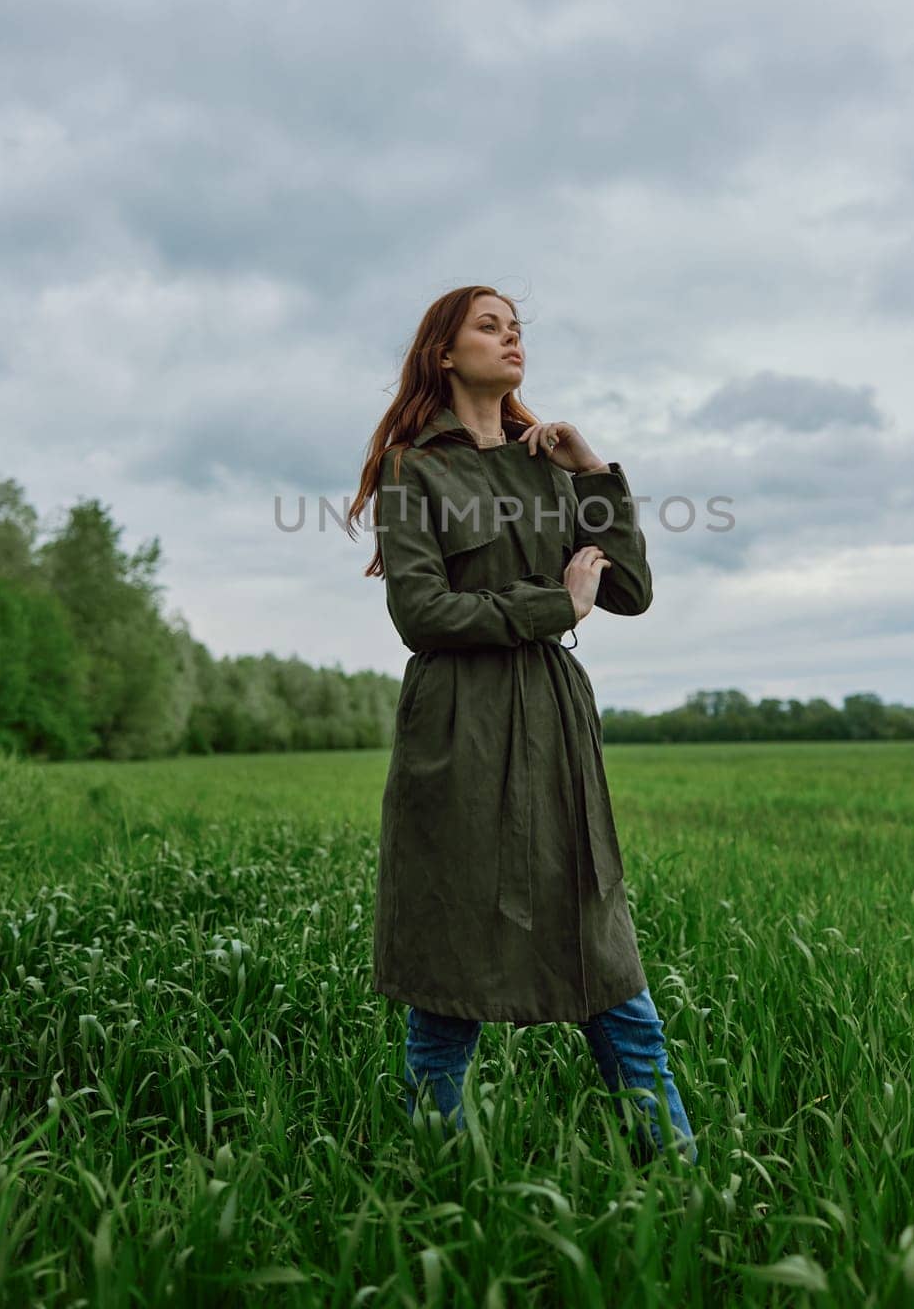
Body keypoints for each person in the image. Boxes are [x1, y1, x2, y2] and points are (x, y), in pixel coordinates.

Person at [347, 284, 698, 1166]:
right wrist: (552, 602)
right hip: (458, 729)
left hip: (552, 725)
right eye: (490, 328)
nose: (513, 344)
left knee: (609, 969)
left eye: (517, 331)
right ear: (443, 352)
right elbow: (421, 613)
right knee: (448, 984)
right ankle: (446, 1192)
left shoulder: (550, 464)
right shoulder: (412, 469)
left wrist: (591, 472)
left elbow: (628, 592)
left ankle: (687, 1189)